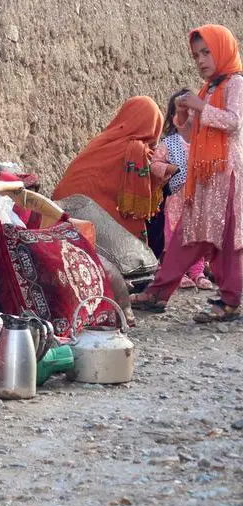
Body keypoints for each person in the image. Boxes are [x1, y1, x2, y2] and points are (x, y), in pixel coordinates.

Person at [131, 24, 243, 322]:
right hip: (205, 176)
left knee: (227, 237)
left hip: (226, 174)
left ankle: (230, 300)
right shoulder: (210, 88)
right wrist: (184, 119)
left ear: (223, 50)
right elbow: (199, 136)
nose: (201, 60)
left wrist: (198, 105)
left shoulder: (235, 83)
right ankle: (158, 293)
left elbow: (232, 123)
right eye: (196, 56)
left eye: (207, 52)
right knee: (187, 235)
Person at [52, 96, 164, 241]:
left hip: (59, 206)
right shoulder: (138, 153)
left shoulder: (103, 140)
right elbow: (148, 194)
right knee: (131, 247)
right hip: (88, 215)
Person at [150, 88, 214, 290]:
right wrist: (168, 169)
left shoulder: (205, 143)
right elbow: (154, 164)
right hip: (177, 200)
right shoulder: (168, 143)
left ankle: (197, 272)